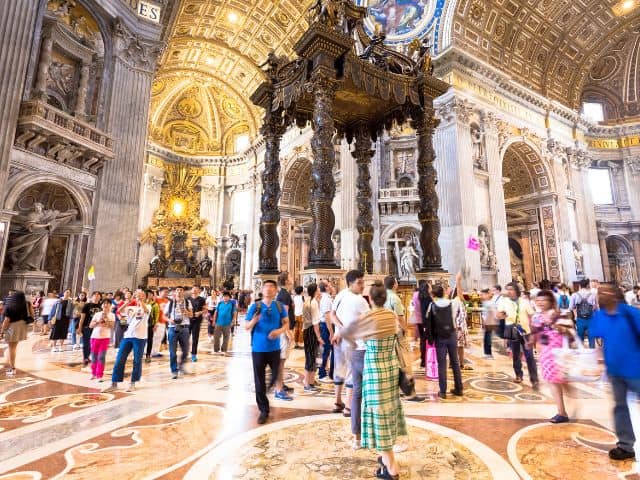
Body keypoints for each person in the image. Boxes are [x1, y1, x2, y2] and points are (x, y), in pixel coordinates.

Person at [336, 281, 406, 479]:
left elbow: (344, 333)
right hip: (391, 368)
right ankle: (385, 458)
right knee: (387, 412)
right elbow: (401, 335)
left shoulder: (368, 317)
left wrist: (352, 346)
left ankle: (392, 468)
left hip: (374, 369)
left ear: (371, 299)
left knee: (377, 415)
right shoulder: (391, 315)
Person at [588, 285, 640, 460]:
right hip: (615, 370)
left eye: (606, 292)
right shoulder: (599, 316)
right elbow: (599, 341)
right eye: (600, 293)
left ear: (616, 295)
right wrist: (600, 363)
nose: (602, 295)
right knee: (620, 408)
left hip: (636, 369)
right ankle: (625, 445)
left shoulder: (631, 313)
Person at [245, 279, 288, 424]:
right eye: (266, 287)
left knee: (276, 374)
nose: (268, 289)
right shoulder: (255, 306)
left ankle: (268, 388)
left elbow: (286, 323)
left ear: (276, 290)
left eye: (271, 287)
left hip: (274, 348)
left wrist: (279, 331)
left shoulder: (279, 306)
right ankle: (264, 410)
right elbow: (246, 326)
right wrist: (254, 321)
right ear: (262, 290)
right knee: (259, 380)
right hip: (258, 348)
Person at [530, 290, 576, 423]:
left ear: (551, 301)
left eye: (543, 300)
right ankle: (562, 411)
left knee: (557, 381)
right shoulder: (536, 317)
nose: (540, 303)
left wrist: (561, 328)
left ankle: (563, 410)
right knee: (553, 381)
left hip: (559, 352)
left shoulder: (559, 315)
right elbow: (536, 334)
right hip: (545, 353)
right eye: (538, 300)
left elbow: (571, 332)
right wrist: (531, 342)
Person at [331, 270, 369, 420]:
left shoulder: (340, 294)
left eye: (363, 282)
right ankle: (348, 406)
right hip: (352, 341)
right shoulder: (360, 301)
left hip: (339, 338)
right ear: (350, 283)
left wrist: (339, 330)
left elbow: (332, 315)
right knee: (351, 373)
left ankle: (337, 401)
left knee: (339, 369)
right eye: (359, 283)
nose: (363, 286)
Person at [426, 272, 465, 399]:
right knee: (455, 362)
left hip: (440, 337)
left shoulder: (432, 306)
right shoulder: (452, 303)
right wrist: (458, 281)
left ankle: (443, 391)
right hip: (452, 335)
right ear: (444, 292)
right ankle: (459, 389)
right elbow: (460, 297)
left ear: (434, 295)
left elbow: (429, 323)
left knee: (442, 364)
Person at [104, 290, 149, 393]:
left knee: (137, 360)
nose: (139, 296)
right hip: (128, 336)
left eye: (142, 295)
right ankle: (114, 383)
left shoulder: (147, 307)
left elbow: (146, 311)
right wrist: (128, 302)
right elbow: (119, 311)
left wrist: (141, 301)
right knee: (119, 359)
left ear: (145, 297)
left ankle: (132, 383)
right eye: (138, 294)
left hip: (140, 337)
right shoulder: (131, 307)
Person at [497, 282, 539, 388]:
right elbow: (499, 315)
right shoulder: (504, 302)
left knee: (529, 355)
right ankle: (518, 375)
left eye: (511, 289)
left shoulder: (524, 302)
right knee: (516, 354)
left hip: (525, 330)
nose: (509, 291)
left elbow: (532, 314)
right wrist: (501, 316)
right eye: (507, 289)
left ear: (516, 290)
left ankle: (534, 378)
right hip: (512, 330)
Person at [1, 291, 33, 375]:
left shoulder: (10, 306)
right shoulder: (25, 305)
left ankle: (12, 368)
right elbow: (32, 315)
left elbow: (6, 320)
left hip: (12, 328)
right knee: (13, 347)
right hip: (22, 327)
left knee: (12, 348)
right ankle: (9, 362)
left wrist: (2, 331)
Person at [275, 272, 295, 400]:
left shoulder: (284, 293)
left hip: (283, 330)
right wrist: (288, 332)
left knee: (282, 360)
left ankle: (281, 384)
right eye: (290, 277)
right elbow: (284, 315)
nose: (292, 278)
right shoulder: (284, 295)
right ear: (287, 280)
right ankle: (278, 390)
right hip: (283, 331)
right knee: (280, 362)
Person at [165, 286, 192, 379]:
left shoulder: (187, 302)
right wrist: (170, 320)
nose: (179, 292)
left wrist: (186, 312)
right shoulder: (170, 303)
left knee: (185, 350)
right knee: (172, 352)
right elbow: (165, 316)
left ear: (183, 292)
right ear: (175, 292)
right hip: (173, 328)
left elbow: (191, 315)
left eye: (181, 290)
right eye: (177, 290)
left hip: (184, 328)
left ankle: (181, 366)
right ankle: (174, 370)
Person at [302, 283, 323, 392]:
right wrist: (319, 337)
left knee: (312, 356)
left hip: (306, 330)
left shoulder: (307, 300)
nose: (320, 290)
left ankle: (311, 380)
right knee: (310, 357)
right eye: (318, 289)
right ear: (315, 290)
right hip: (311, 331)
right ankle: (307, 383)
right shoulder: (313, 302)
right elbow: (315, 322)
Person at [89, 299, 115, 381]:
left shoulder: (112, 315)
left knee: (101, 357)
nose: (105, 305)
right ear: (102, 305)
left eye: (107, 303)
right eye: (104, 303)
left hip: (105, 338)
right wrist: (97, 322)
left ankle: (99, 375)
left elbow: (111, 326)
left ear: (110, 305)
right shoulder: (97, 314)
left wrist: (106, 318)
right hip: (94, 337)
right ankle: (93, 373)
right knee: (94, 356)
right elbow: (91, 325)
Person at [570, 278, 597, 348]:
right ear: (588, 285)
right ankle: (592, 352)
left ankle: (581, 353)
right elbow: (595, 307)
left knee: (580, 338)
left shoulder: (574, 295)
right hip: (591, 318)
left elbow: (571, 307)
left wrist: (575, 314)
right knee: (591, 337)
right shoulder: (592, 295)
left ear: (580, 286)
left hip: (580, 319)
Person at [78, 292, 102, 367]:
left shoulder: (101, 306)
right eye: (95, 295)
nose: (96, 296)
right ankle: (85, 358)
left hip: (98, 327)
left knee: (96, 343)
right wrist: (79, 328)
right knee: (87, 344)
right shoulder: (87, 305)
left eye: (98, 295)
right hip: (87, 327)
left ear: (100, 297)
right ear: (92, 297)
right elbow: (82, 318)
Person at [318, 282, 335, 383]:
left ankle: (327, 370)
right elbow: (327, 317)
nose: (331, 286)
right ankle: (322, 374)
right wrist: (331, 332)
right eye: (329, 285)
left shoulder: (327, 298)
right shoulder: (325, 299)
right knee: (326, 349)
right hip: (326, 326)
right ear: (326, 287)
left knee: (328, 349)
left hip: (327, 326)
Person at [187, 286, 206, 362]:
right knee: (185, 338)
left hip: (197, 321)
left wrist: (200, 312)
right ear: (191, 290)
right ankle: (185, 353)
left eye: (196, 289)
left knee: (195, 338)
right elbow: (184, 308)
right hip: (188, 321)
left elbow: (205, 309)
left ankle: (194, 354)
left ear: (199, 290)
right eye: (193, 289)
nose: (194, 290)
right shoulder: (187, 299)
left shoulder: (202, 299)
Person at [416, 280, 431, 367]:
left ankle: (423, 360)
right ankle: (427, 359)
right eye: (429, 287)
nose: (431, 288)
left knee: (422, 341)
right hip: (426, 322)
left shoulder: (420, 297)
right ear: (427, 289)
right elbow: (428, 312)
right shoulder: (428, 298)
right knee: (428, 341)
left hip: (420, 322)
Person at [480, 288, 498, 359]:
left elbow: (492, 313)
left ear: (487, 294)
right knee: (486, 338)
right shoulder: (486, 302)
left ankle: (489, 354)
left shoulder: (490, 302)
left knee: (488, 338)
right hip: (487, 322)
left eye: (483, 294)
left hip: (489, 322)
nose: (481, 296)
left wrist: (487, 322)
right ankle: (487, 353)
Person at [151, 287, 168, 357]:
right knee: (154, 337)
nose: (166, 293)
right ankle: (149, 351)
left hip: (163, 321)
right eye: (165, 292)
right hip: (156, 321)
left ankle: (155, 351)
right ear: (160, 292)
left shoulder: (167, 301)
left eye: (167, 292)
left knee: (160, 337)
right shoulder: (156, 299)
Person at [144, 290, 159, 363]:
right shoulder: (142, 303)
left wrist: (155, 324)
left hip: (150, 325)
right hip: (142, 325)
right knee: (141, 340)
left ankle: (148, 355)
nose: (149, 295)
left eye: (150, 294)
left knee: (149, 340)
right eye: (147, 294)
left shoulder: (155, 304)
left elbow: (157, 316)